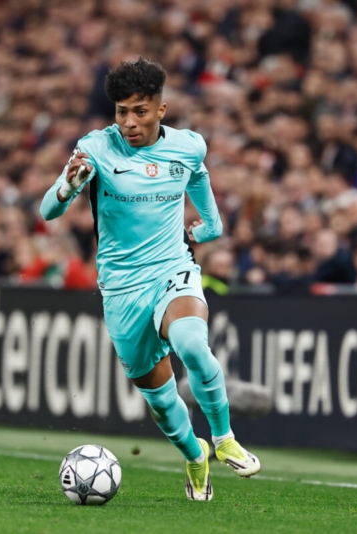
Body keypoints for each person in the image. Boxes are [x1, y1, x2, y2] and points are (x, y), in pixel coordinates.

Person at [40, 59, 260, 501]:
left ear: (161, 109)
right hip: (121, 289)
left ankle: (224, 439)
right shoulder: (96, 148)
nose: (129, 122)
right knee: (160, 401)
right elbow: (48, 210)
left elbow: (198, 178)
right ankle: (195, 455)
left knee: (193, 345)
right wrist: (68, 186)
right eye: (122, 112)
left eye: (140, 111)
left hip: (171, 269)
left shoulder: (188, 145)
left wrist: (211, 225)